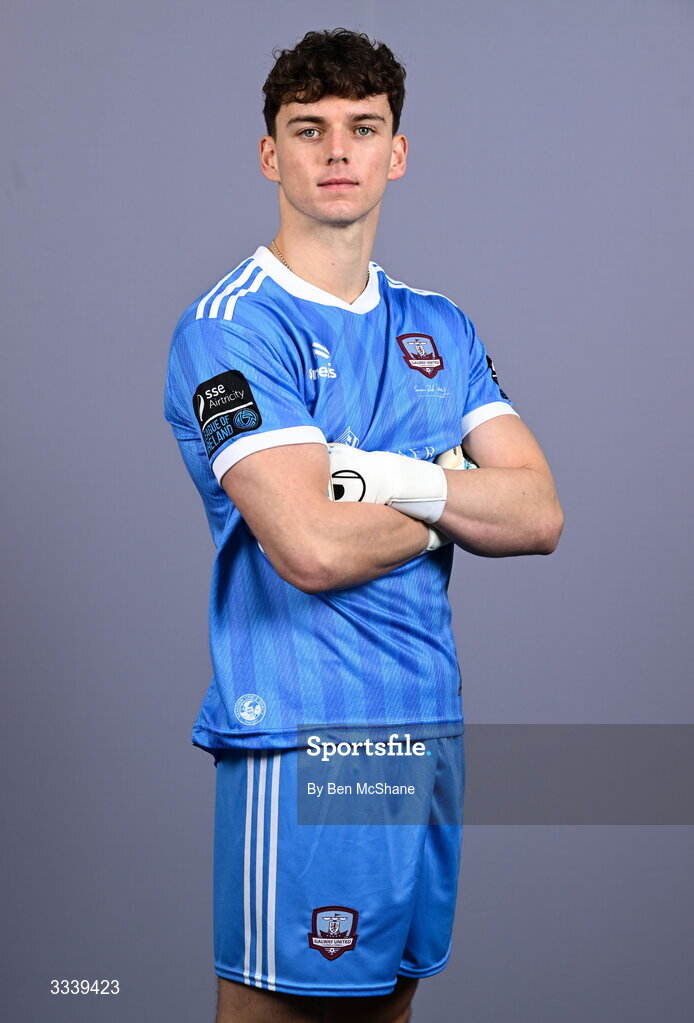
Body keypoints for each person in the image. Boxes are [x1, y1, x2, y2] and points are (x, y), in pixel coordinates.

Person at [164, 27, 563, 1023]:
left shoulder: (441, 326)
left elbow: (539, 511)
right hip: (306, 732)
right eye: (309, 129)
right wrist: (451, 498)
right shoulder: (232, 327)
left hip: (425, 725)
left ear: (398, 151)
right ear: (271, 154)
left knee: (388, 1006)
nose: (337, 150)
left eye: (362, 127)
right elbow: (311, 546)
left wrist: (382, 480)